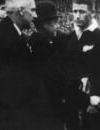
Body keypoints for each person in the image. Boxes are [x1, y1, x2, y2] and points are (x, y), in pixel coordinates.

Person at [0, 0, 64, 129]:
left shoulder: (14, 35)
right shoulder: (1, 39)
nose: (35, 16)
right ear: (21, 10)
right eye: (32, 10)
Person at [64, 0, 100, 129]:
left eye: (82, 11)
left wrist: (95, 100)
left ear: (92, 12)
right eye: (75, 11)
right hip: (72, 97)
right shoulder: (70, 37)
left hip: (91, 98)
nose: (77, 15)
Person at [29, 1, 69, 129]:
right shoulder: (35, 42)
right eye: (52, 22)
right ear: (43, 24)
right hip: (42, 96)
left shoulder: (62, 38)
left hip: (59, 95)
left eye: (55, 21)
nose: (56, 25)